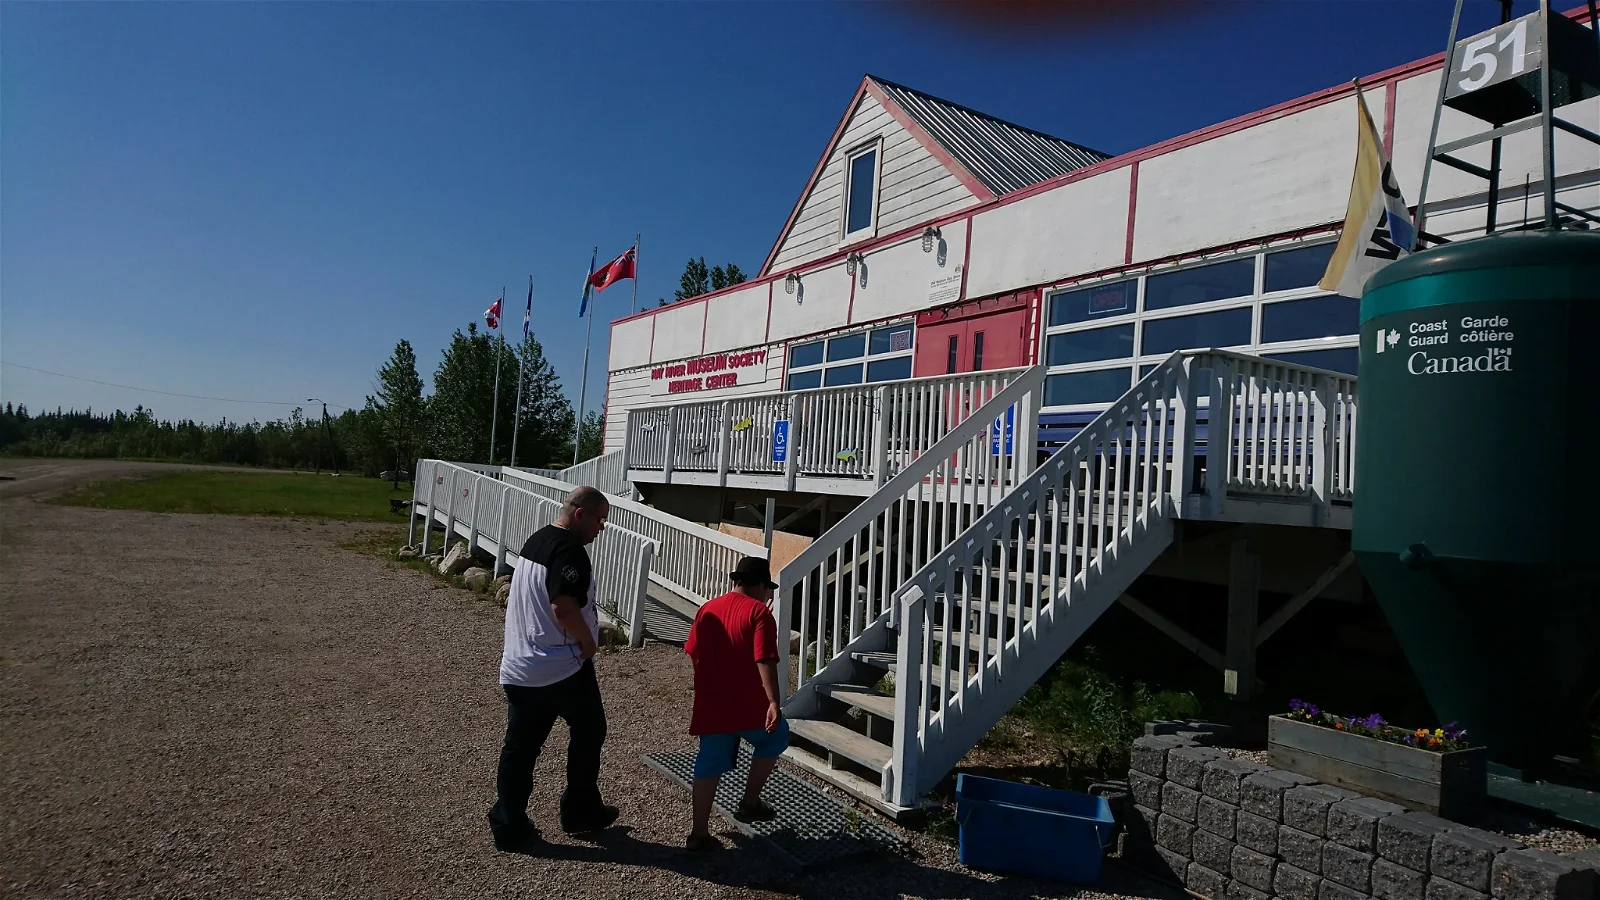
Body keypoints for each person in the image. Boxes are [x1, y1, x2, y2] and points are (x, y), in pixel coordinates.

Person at [488, 485, 618, 852]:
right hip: (561, 665)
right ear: (580, 514)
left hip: (521, 664)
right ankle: (580, 810)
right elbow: (563, 606)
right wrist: (588, 641)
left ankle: (509, 823)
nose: (601, 527)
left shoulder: (537, 541)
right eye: (600, 519)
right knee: (590, 731)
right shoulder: (569, 551)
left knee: (520, 748)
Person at [682, 555, 788, 852]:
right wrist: (773, 701)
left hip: (712, 704)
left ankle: (698, 835)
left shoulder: (707, 609)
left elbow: (692, 651)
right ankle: (750, 802)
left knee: (709, 762)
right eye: (767, 589)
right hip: (748, 706)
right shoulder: (759, 613)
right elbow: (764, 658)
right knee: (776, 736)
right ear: (760, 585)